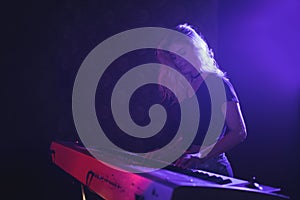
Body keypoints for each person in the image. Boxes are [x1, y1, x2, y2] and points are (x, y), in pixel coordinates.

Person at [156, 23, 247, 177]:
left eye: (182, 52)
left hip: (212, 166)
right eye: (174, 57)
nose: (179, 60)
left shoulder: (216, 83)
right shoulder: (184, 86)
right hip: (187, 164)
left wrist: (200, 156)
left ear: (195, 49)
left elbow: (239, 132)